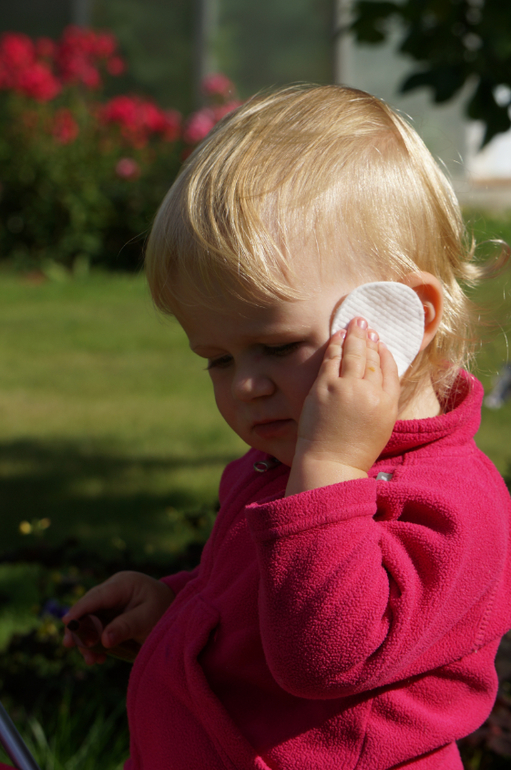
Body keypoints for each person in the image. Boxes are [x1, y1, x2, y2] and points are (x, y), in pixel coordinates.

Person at [62, 85, 511, 769]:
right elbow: (267, 607)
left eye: (276, 346)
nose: (246, 385)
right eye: (217, 359)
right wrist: (175, 608)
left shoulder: (449, 503)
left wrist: (331, 470)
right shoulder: (287, 462)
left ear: (401, 317)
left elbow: (325, 657)